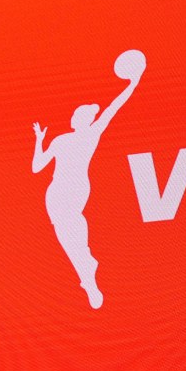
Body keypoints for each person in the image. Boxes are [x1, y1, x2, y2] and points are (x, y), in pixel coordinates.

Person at [32, 63, 143, 308]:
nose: (72, 118)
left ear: (83, 120)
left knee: (73, 236)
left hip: (72, 192)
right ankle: (87, 270)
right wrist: (39, 140)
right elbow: (37, 167)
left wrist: (132, 85)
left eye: (77, 115)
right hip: (57, 194)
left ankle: (87, 271)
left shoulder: (90, 135)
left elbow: (113, 108)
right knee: (69, 237)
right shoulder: (63, 139)